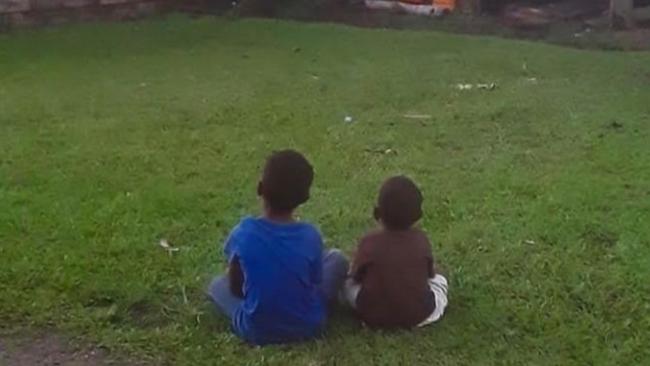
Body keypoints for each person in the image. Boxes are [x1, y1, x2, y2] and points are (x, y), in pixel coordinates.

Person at [208, 149, 349, 345]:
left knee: (217, 285)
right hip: (309, 324)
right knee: (337, 259)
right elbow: (314, 282)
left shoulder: (244, 232)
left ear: (259, 188)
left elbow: (235, 286)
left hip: (256, 329)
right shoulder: (310, 236)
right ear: (305, 197)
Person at [341, 176, 448, 329]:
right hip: (419, 315)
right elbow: (430, 275)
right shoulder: (421, 240)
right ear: (417, 215)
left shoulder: (369, 242)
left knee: (345, 284)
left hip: (373, 315)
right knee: (440, 281)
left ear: (378, 212)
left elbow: (356, 276)